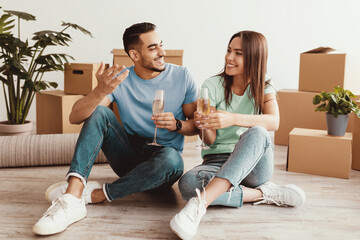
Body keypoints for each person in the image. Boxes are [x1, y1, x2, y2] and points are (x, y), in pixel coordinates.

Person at [33, 22, 198, 235]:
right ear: (135, 55)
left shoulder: (183, 77)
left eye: (161, 45)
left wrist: (177, 125)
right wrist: (99, 92)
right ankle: (73, 196)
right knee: (99, 112)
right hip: (129, 156)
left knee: (173, 160)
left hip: (163, 165)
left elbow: (196, 126)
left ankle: (96, 194)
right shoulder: (121, 79)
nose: (162, 52)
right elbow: (75, 117)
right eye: (153, 48)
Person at [170, 31, 306, 239]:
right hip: (217, 161)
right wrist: (203, 126)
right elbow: (210, 140)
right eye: (228, 50)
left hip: (254, 167)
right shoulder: (212, 85)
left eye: (238, 53)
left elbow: (274, 122)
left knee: (258, 132)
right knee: (187, 184)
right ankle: (263, 194)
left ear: (254, 57)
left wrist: (232, 118)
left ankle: (200, 204)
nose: (229, 57)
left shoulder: (264, 86)